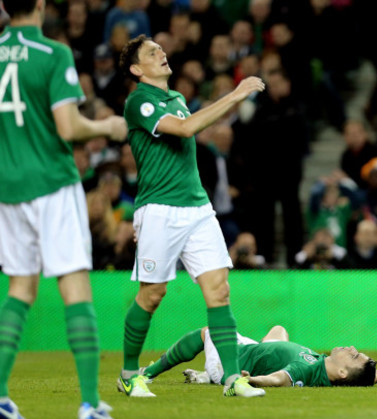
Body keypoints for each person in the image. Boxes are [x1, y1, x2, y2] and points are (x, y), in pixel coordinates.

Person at [116, 34, 266, 398]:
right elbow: (184, 129)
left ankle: (233, 379)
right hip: (159, 209)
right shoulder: (140, 101)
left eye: (162, 48)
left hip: (197, 208)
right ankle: (128, 374)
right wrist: (235, 94)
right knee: (152, 294)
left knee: (219, 290)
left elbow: (189, 125)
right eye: (153, 52)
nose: (162, 53)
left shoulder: (177, 99)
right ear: (137, 69)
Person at [0, 1, 127, 418]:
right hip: (53, 184)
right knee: (75, 288)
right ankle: (90, 404)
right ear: (39, 5)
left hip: (9, 186)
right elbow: (69, 127)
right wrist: (106, 127)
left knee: (20, 289)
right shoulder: (53, 54)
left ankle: (0, 398)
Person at [141, 325, 377, 388]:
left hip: (235, 361)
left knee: (208, 331)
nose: (350, 348)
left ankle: (148, 374)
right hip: (253, 349)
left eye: (354, 355)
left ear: (343, 372)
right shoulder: (325, 367)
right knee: (279, 331)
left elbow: (278, 380)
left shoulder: (305, 367)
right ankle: (204, 377)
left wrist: (252, 381)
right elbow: (362, 379)